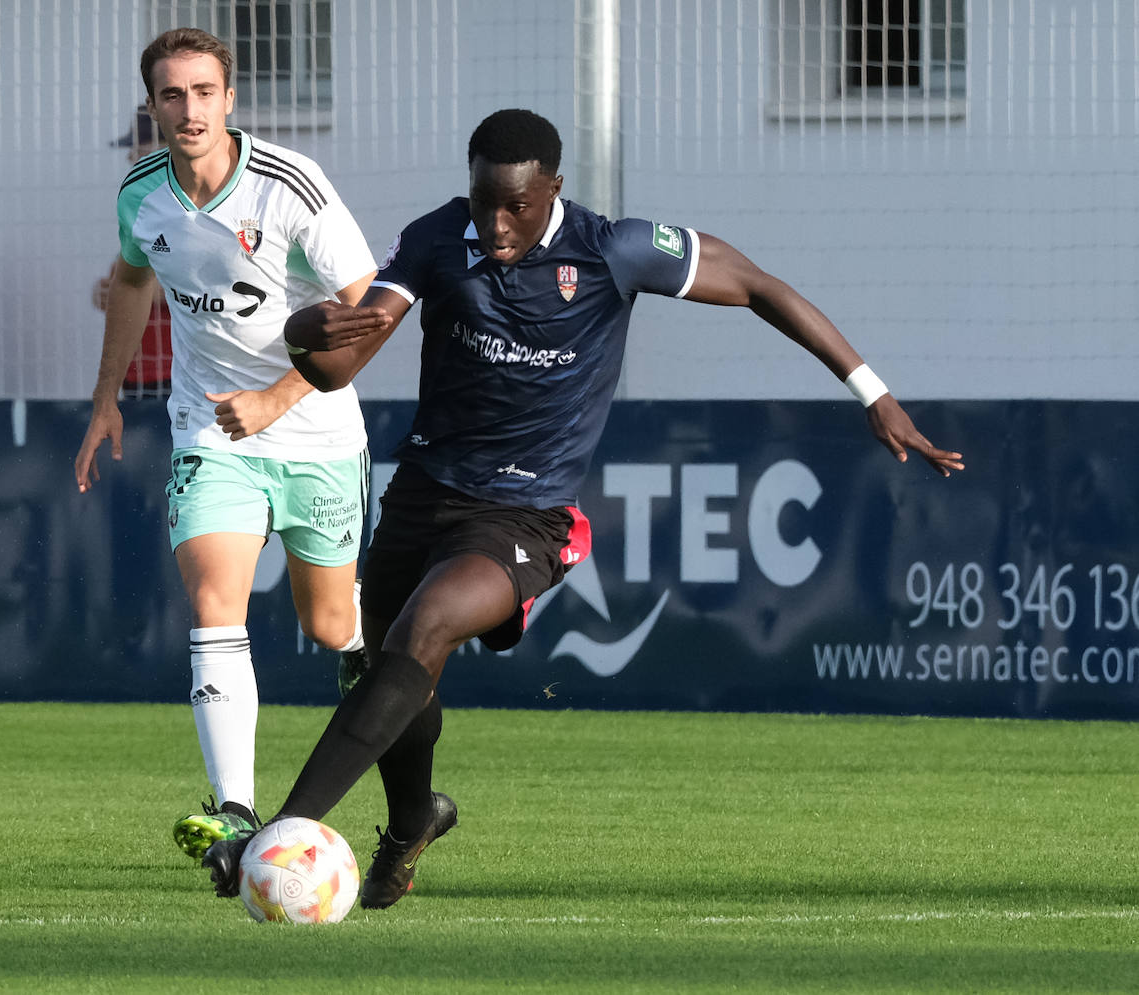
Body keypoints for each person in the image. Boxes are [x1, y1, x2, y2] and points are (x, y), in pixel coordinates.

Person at [202, 108, 967, 910]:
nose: (496, 225)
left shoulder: (614, 249)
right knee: (394, 665)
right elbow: (339, 362)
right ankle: (410, 821)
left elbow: (759, 286)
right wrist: (301, 333)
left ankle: (278, 834)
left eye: (517, 207)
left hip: (525, 514)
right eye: (483, 202)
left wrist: (872, 393)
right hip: (424, 493)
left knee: (425, 627)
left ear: (553, 190)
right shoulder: (436, 237)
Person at [72, 28, 376, 862]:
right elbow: (134, 278)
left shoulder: (290, 185)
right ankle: (235, 811)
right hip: (209, 430)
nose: (189, 109)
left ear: (230, 99)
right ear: (152, 106)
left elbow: (373, 306)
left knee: (330, 621)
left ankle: (357, 655)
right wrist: (107, 397)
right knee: (214, 607)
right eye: (172, 95)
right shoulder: (142, 191)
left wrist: (280, 397)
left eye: (204, 92)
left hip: (314, 431)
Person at [92, 105, 173, 398]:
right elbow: (129, 273)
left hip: (178, 370)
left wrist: (135, 290)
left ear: (165, 147)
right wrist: (106, 292)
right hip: (138, 369)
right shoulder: (145, 206)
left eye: (137, 146)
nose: (130, 157)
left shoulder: (196, 206)